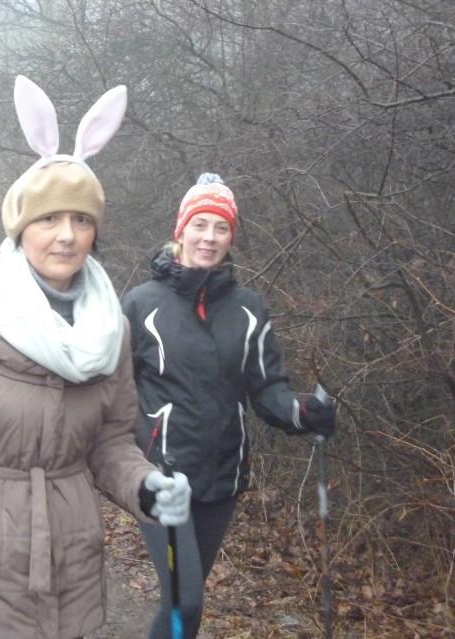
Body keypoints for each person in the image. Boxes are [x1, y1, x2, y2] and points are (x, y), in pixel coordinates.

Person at [0, 75, 192, 639]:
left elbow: (110, 442)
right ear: (21, 227)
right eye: (48, 219)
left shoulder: (111, 329)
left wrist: (145, 486)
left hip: (71, 560)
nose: (66, 236)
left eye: (81, 220)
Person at [120, 173, 337, 638]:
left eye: (221, 228)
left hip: (224, 476)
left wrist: (301, 411)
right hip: (161, 477)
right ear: (180, 231)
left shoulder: (247, 307)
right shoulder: (141, 304)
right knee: (184, 598)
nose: (210, 237)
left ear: (231, 237)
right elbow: (116, 390)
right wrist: (133, 457)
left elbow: (267, 388)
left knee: (189, 606)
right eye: (200, 224)